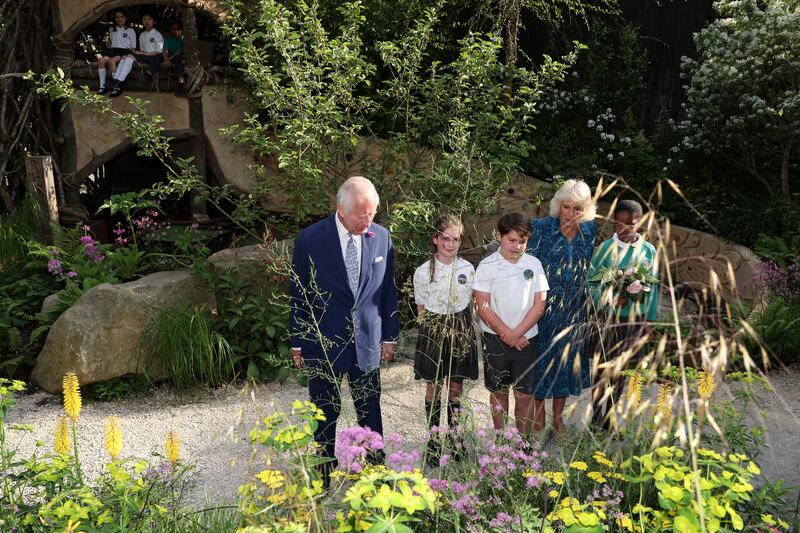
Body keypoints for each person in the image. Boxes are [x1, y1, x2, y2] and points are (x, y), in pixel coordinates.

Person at [290, 176, 399, 484]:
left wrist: (390, 335)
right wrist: (299, 340)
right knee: (324, 411)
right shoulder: (310, 239)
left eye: (373, 213)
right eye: (361, 214)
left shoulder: (382, 237)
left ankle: (376, 475)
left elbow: (388, 291)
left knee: (370, 409)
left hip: (367, 339)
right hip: (323, 340)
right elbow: (299, 294)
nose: (368, 220)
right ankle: (322, 477)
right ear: (341, 208)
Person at [527, 179, 597, 435]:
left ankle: (557, 420)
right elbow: (527, 267)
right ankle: (536, 419)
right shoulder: (541, 228)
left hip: (574, 310)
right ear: (558, 205)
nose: (570, 214)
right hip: (543, 309)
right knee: (540, 363)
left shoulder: (590, 231)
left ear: (585, 210)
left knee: (565, 366)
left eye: (577, 208)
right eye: (566, 207)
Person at [474, 213, 548, 433]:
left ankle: (522, 441)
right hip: (495, 339)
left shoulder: (534, 264)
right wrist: (507, 334)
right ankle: (501, 440)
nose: (517, 246)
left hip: (527, 339)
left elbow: (539, 305)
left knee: (524, 395)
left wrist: (517, 334)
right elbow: (483, 306)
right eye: (512, 240)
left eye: (522, 241)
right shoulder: (487, 266)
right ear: (499, 236)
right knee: (499, 392)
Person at [412, 214, 478, 465]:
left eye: (456, 239)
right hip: (433, 326)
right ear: (436, 239)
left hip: (460, 324)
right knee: (434, 385)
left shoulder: (467, 269)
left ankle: (455, 437)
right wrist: (431, 330)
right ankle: (434, 439)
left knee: (456, 388)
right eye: (446, 239)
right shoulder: (423, 271)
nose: (450, 244)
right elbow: (420, 309)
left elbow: (472, 301)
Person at [588, 199, 659, 430]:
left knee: (622, 371)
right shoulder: (605, 249)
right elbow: (591, 281)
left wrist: (648, 321)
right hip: (608, 318)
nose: (622, 229)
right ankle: (597, 421)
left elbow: (653, 288)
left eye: (629, 224)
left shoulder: (648, 250)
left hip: (633, 321)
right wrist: (609, 297)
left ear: (639, 223)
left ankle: (609, 420)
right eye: (617, 224)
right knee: (603, 370)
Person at [96, 9, 136, 96]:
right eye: (117, 17)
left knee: (112, 61)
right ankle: (102, 86)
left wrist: (132, 56)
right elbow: (112, 43)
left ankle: (117, 87)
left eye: (122, 17)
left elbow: (133, 46)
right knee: (101, 61)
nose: (119, 19)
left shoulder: (130, 30)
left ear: (126, 18)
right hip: (113, 50)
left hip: (124, 51)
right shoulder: (112, 29)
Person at [133, 14, 164, 84]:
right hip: (145, 56)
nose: (146, 21)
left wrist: (144, 53)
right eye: (144, 19)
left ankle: (148, 74)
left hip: (155, 56)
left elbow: (159, 51)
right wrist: (140, 55)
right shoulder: (142, 35)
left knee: (158, 57)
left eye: (149, 19)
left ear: (154, 22)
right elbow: (142, 50)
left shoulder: (158, 35)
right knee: (133, 55)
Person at [162, 21, 187, 96]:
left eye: (177, 29)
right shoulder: (169, 39)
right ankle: (181, 85)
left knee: (178, 59)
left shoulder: (184, 38)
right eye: (174, 29)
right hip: (173, 59)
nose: (176, 31)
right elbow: (165, 50)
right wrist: (166, 59)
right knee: (176, 59)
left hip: (183, 58)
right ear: (171, 30)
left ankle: (181, 85)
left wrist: (181, 51)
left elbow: (186, 48)